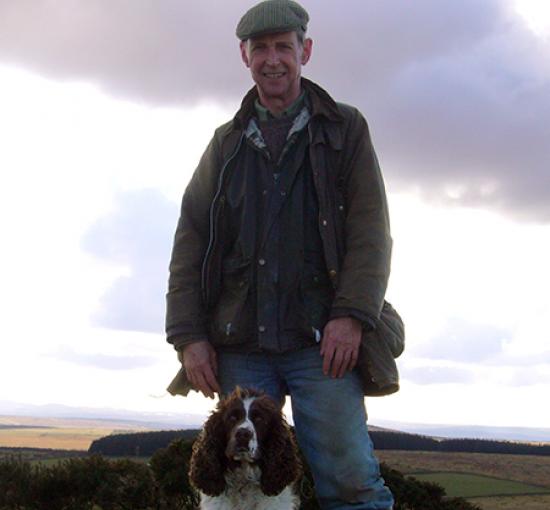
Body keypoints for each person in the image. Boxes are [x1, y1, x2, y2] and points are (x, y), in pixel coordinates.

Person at [166, 1, 401, 508]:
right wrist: (189, 337)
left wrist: (351, 316)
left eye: (283, 47)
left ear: (305, 51)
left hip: (324, 343)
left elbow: (371, 235)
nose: (272, 60)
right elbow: (189, 243)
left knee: (351, 483)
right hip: (241, 343)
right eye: (261, 49)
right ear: (244, 57)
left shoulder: (346, 129)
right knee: (236, 489)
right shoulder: (224, 145)